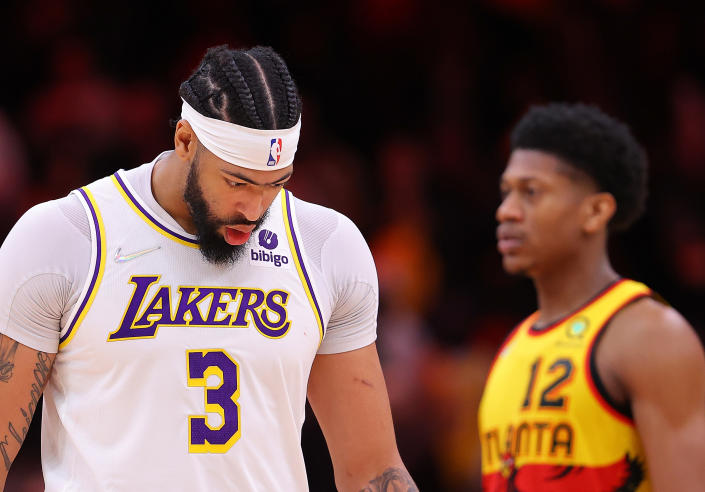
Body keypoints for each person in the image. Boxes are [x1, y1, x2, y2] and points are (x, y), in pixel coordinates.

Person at [0, 45, 417, 492]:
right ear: (184, 140)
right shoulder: (66, 238)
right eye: (237, 182)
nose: (254, 210)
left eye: (275, 184)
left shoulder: (326, 248)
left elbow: (372, 470)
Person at [478, 103, 705, 491]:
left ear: (596, 211)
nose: (506, 211)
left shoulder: (651, 336)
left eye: (531, 192)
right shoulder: (512, 348)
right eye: (505, 193)